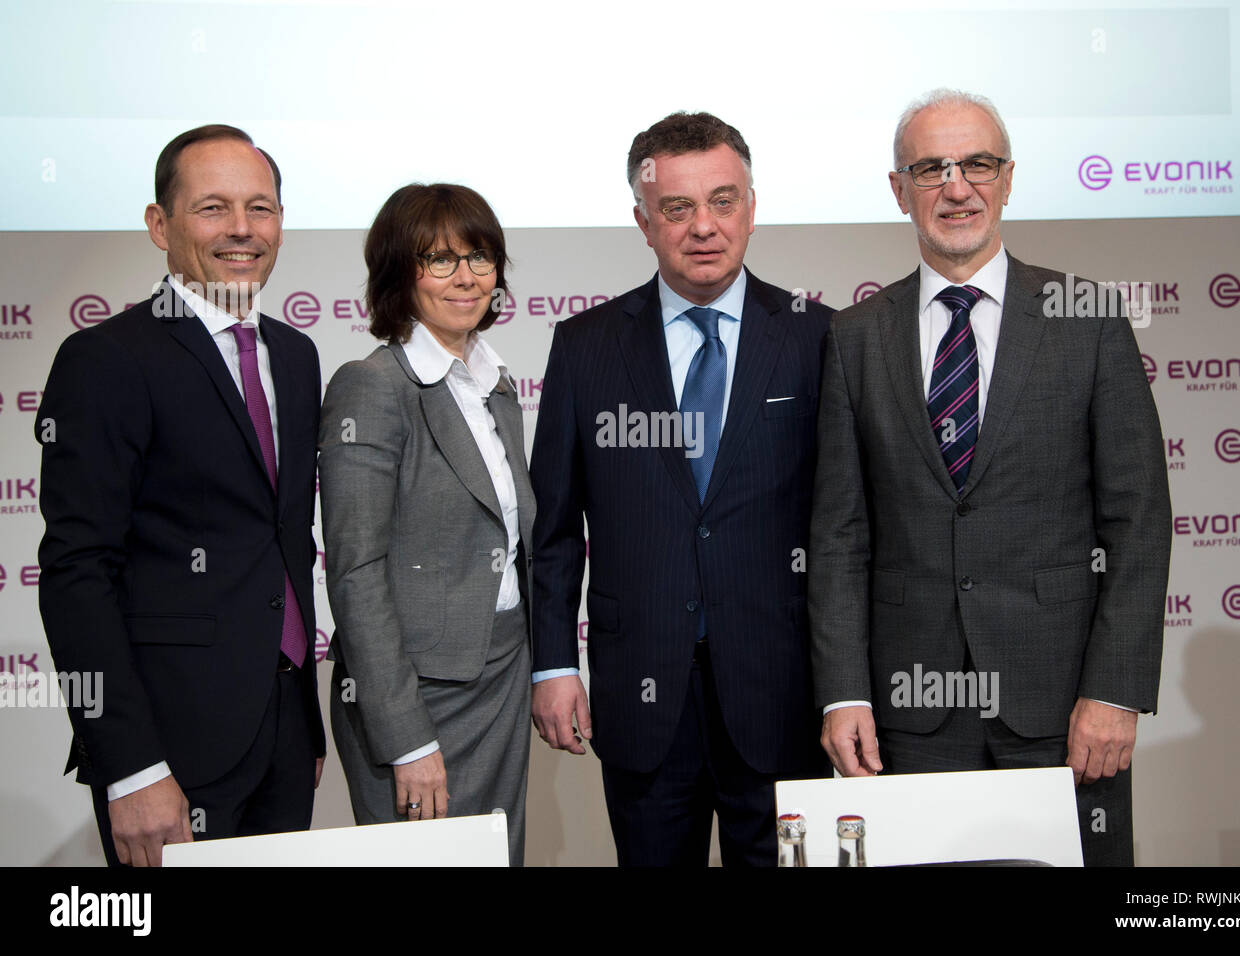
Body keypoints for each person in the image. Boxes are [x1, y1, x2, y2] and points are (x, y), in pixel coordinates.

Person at [810, 89, 1172, 866]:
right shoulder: (854, 338)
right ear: (898, 189)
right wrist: (846, 692)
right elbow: (839, 537)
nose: (956, 185)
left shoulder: (1088, 318)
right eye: (931, 168)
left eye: (977, 163)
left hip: (1065, 709)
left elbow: (1137, 522)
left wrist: (1115, 690)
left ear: (1007, 179)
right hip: (910, 715)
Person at [530, 112, 832, 867]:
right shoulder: (586, 346)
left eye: (723, 201)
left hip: (782, 691)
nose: (704, 226)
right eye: (677, 208)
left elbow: (849, 526)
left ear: (752, 209)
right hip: (641, 696)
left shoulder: (820, 337)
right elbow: (555, 530)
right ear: (643, 221)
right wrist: (555, 665)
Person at [35, 124, 325, 867]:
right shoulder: (106, 359)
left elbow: (279, 544)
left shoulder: (295, 356)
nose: (242, 230)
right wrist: (129, 765)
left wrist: (305, 727)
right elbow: (77, 573)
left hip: (284, 737)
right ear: (159, 225)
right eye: (213, 208)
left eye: (261, 208)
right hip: (167, 750)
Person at [318, 183, 533, 866]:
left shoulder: (496, 384)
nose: (465, 276)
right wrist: (405, 736)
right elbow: (355, 572)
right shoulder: (372, 386)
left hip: (500, 680)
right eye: (439, 259)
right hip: (415, 699)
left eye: (479, 257)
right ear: (398, 273)